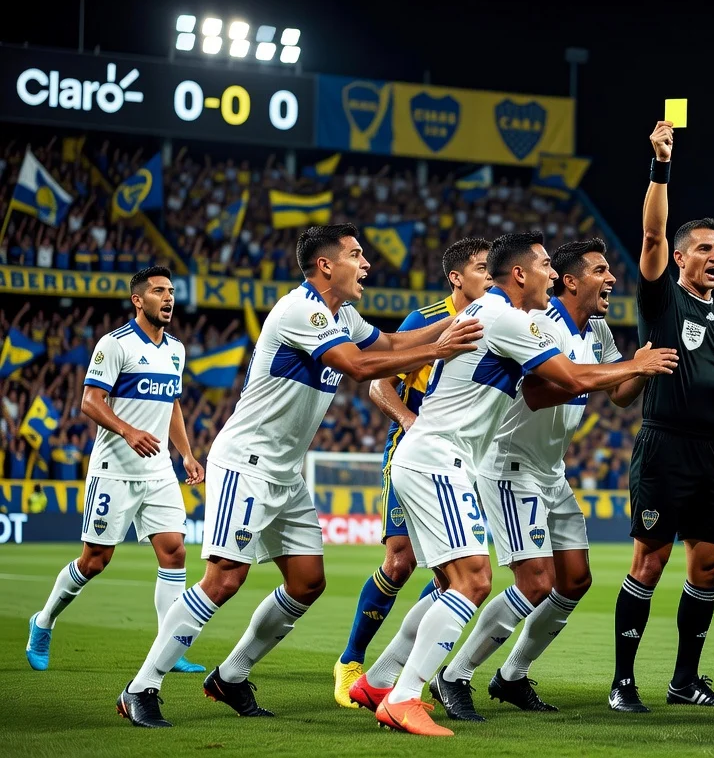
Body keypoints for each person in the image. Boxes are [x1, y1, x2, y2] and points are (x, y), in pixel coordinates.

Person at [116, 224, 483, 728]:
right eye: (357, 255)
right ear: (326, 266)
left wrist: (453, 326)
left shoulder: (342, 314)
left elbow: (393, 340)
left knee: (307, 582)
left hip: (284, 473)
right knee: (224, 578)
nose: (367, 264)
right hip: (245, 462)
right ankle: (141, 687)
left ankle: (231, 676)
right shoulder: (301, 310)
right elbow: (358, 366)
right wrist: (441, 350)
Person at [348, 232, 676, 736]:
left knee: (454, 585)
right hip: (451, 459)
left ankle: (379, 680)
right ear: (522, 273)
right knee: (474, 581)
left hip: (456, 458)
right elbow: (565, 380)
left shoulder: (508, 316)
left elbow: (594, 383)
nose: (548, 272)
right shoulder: (508, 318)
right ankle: (410, 694)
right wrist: (638, 364)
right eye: (545, 265)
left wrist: (638, 366)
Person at [441, 238, 643, 712]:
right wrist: (609, 371)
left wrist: (649, 365)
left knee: (574, 579)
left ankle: (511, 676)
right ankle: (454, 675)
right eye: (600, 270)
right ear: (571, 281)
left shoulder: (597, 330)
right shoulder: (537, 321)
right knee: (534, 582)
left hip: (550, 471)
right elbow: (534, 390)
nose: (611, 279)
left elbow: (618, 393)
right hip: (509, 466)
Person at [608, 122, 714, 713]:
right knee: (651, 558)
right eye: (704, 249)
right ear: (680, 257)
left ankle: (685, 680)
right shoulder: (661, 297)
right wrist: (660, 164)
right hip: (663, 445)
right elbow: (651, 231)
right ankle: (622, 682)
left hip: (710, 450)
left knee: (709, 563)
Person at [333, 237, 493, 708]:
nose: (491, 275)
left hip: (464, 455)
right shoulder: (423, 321)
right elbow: (378, 385)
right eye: (483, 268)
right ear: (456, 278)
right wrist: (410, 422)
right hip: (415, 447)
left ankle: (395, 673)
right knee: (401, 561)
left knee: (454, 565)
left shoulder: (497, 320)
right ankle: (352, 661)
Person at [26, 266, 205, 675]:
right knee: (95, 560)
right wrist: (127, 431)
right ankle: (44, 620)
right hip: (114, 469)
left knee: (175, 551)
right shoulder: (115, 344)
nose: (169, 298)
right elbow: (90, 400)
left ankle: (167, 648)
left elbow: (172, 404)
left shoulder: (175, 349)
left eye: (171, 291)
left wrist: (186, 454)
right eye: (159, 291)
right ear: (138, 300)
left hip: (158, 470)